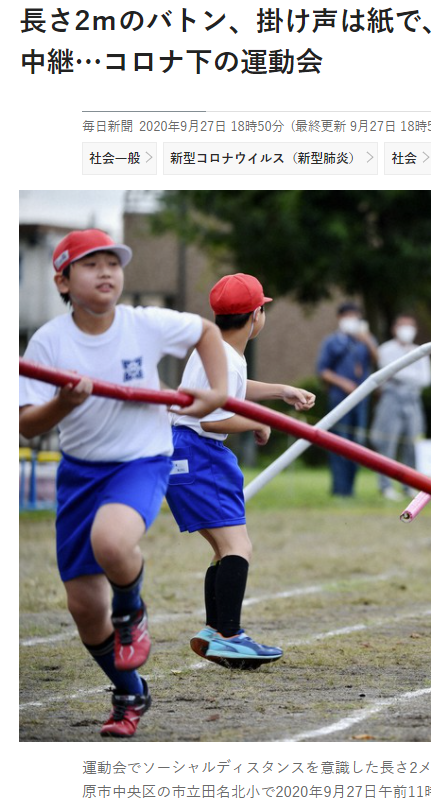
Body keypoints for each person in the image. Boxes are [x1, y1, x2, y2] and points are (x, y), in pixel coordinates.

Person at [18, 229, 228, 737]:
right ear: (63, 281)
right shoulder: (48, 341)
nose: (106, 271)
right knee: (85, 609)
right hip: (80, 472)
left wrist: (216, 391)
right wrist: (64, 404)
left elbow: (205, 331)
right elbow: (26, 423)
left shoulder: (144, 325)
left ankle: (132, 611)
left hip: (140, 461)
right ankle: (129, 691)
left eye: (113, 262)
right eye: (91, 265)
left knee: (111, 542)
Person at [166, 274, 316, 668]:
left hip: (181, 454)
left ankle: (216, 631)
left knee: (222, 549)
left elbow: (234, 389)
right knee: (238, 548)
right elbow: (214, 420)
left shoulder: (214, 351)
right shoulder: (227, 357)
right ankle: (230, 635)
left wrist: (281, 391)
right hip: (201, 454)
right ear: (256, 316)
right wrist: (257, 422)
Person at [316, 303, 378, 496]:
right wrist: (343, 383)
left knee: (356, 443)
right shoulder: (332, 341)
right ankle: (339, 489)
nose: (352, 319)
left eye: (356, 316)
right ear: (340, 318)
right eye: (348, 315)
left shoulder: (364, 340)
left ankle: (350, 489)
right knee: (339, 442)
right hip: (339, 398)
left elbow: (378, 360)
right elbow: (322, 371)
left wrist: (367, 340)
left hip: (361, 400)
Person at [369, 314, 431, 501]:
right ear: (394, 328)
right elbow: (387, 369)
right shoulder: (386, 349)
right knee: (387, 444)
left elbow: (426, 379)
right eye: (402, 325)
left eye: (410, 326)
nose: (407, 330)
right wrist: (409, 374)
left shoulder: (420, 350)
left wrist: (400, 373)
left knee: (412, 444)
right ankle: (385, 486)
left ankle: (409, 485)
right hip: (391, 400)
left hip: (413, 401)